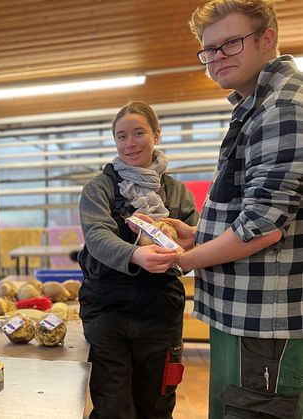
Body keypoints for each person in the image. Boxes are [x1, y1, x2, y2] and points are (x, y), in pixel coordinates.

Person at [159, 1, 303, 417]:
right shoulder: (255, 106)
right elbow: (256, 207)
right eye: (209, 49)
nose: (217, 57)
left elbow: (262, 227)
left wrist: (185, 260)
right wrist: (199, 235)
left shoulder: (281, 107)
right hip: (245, 314)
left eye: (231, 44)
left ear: (267, 39)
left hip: (266, 319)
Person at [77, 101, 198, 418]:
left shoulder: (177, 193)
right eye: (121, 136)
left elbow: (192, 246)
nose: (129, 143)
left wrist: (182, 253)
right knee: (114, 407)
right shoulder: (99, 188)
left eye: (138, 133)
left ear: (156, 134)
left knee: (157, 404)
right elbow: (97, 237)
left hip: (160, 310)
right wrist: (135, 253)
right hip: (107, 310)